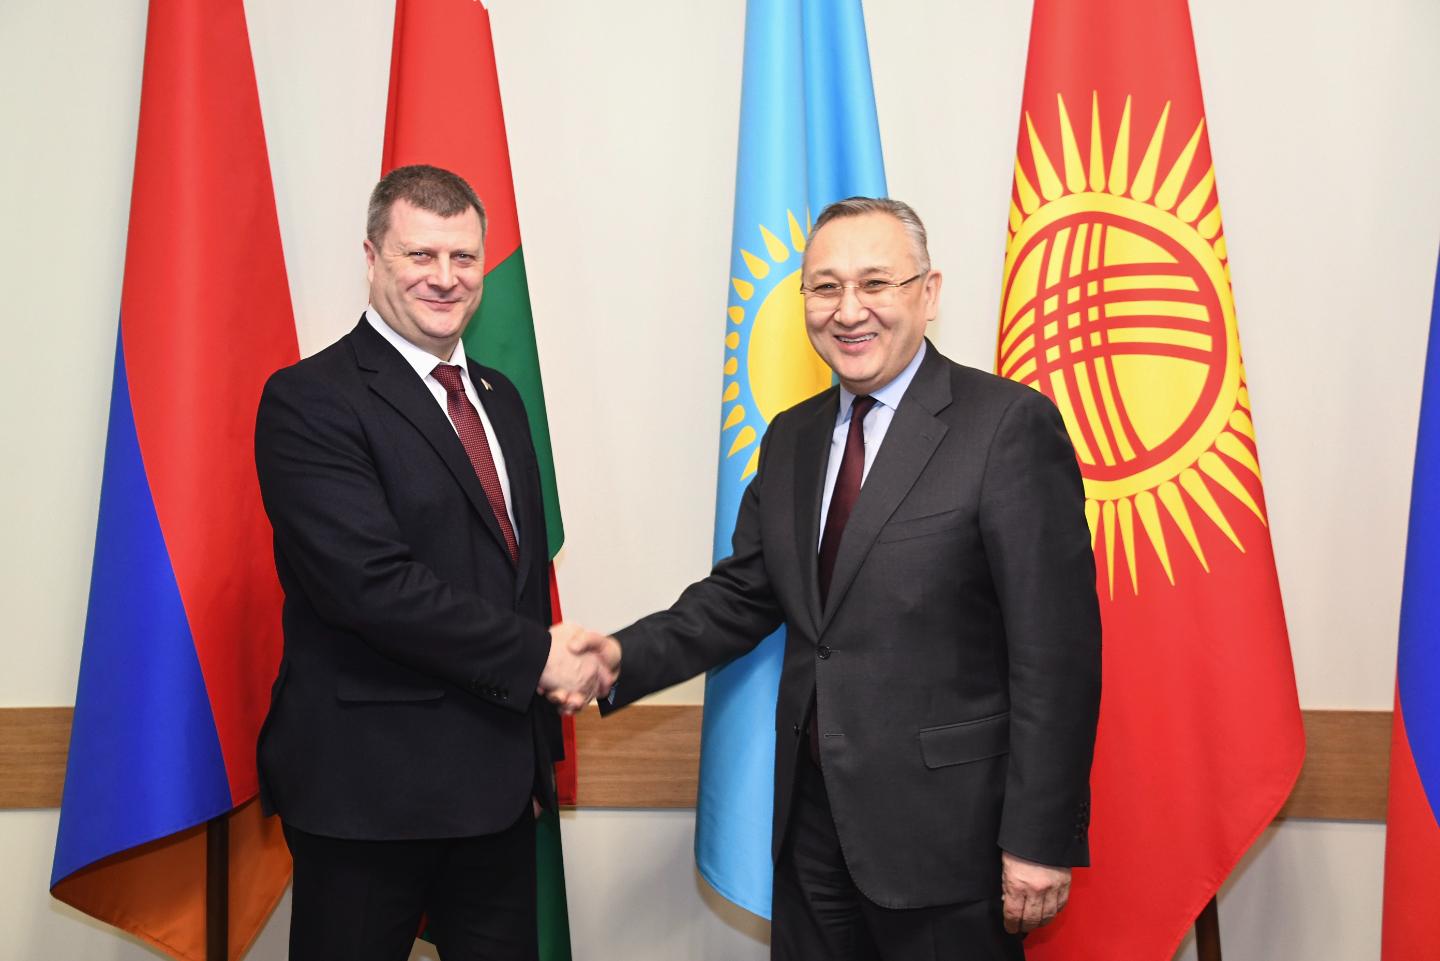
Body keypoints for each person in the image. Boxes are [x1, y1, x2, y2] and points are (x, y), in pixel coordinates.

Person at [577, 198, 1101, 960]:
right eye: (825, 287)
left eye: (876, 283)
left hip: (949, 842)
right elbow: (743, 595)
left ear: (928, 292)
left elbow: (1056, 654)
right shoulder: (792, 436)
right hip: (812, 833)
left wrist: (1039, 838)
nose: (848, 310)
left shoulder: (1007, 426)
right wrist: (618, 656)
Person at [254, 164, 610, 961]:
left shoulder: (500, 397)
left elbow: (518, 583)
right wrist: (539, 656)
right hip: (367, 797)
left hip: (497, 795)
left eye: (463, 257)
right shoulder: (311, 399)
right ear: (372, 257)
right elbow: (369, 587)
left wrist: (535, 761)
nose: (445, 278)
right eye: (420, 255)